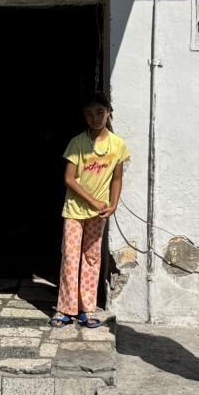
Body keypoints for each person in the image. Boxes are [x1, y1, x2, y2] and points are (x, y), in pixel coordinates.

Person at [51, 92, 130, 329]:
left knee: (92, 258)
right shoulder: (77, 143)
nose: (94, 118)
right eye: (89, 114)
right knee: (70, 257)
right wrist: (93, 201)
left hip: (99, 213)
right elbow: (69, 178)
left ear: (108, 113)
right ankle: (66, 308)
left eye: (99, 112)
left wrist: (113, 204)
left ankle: (87, 308)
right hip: (75, 210)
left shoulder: (117, 145)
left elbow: (117, 178)